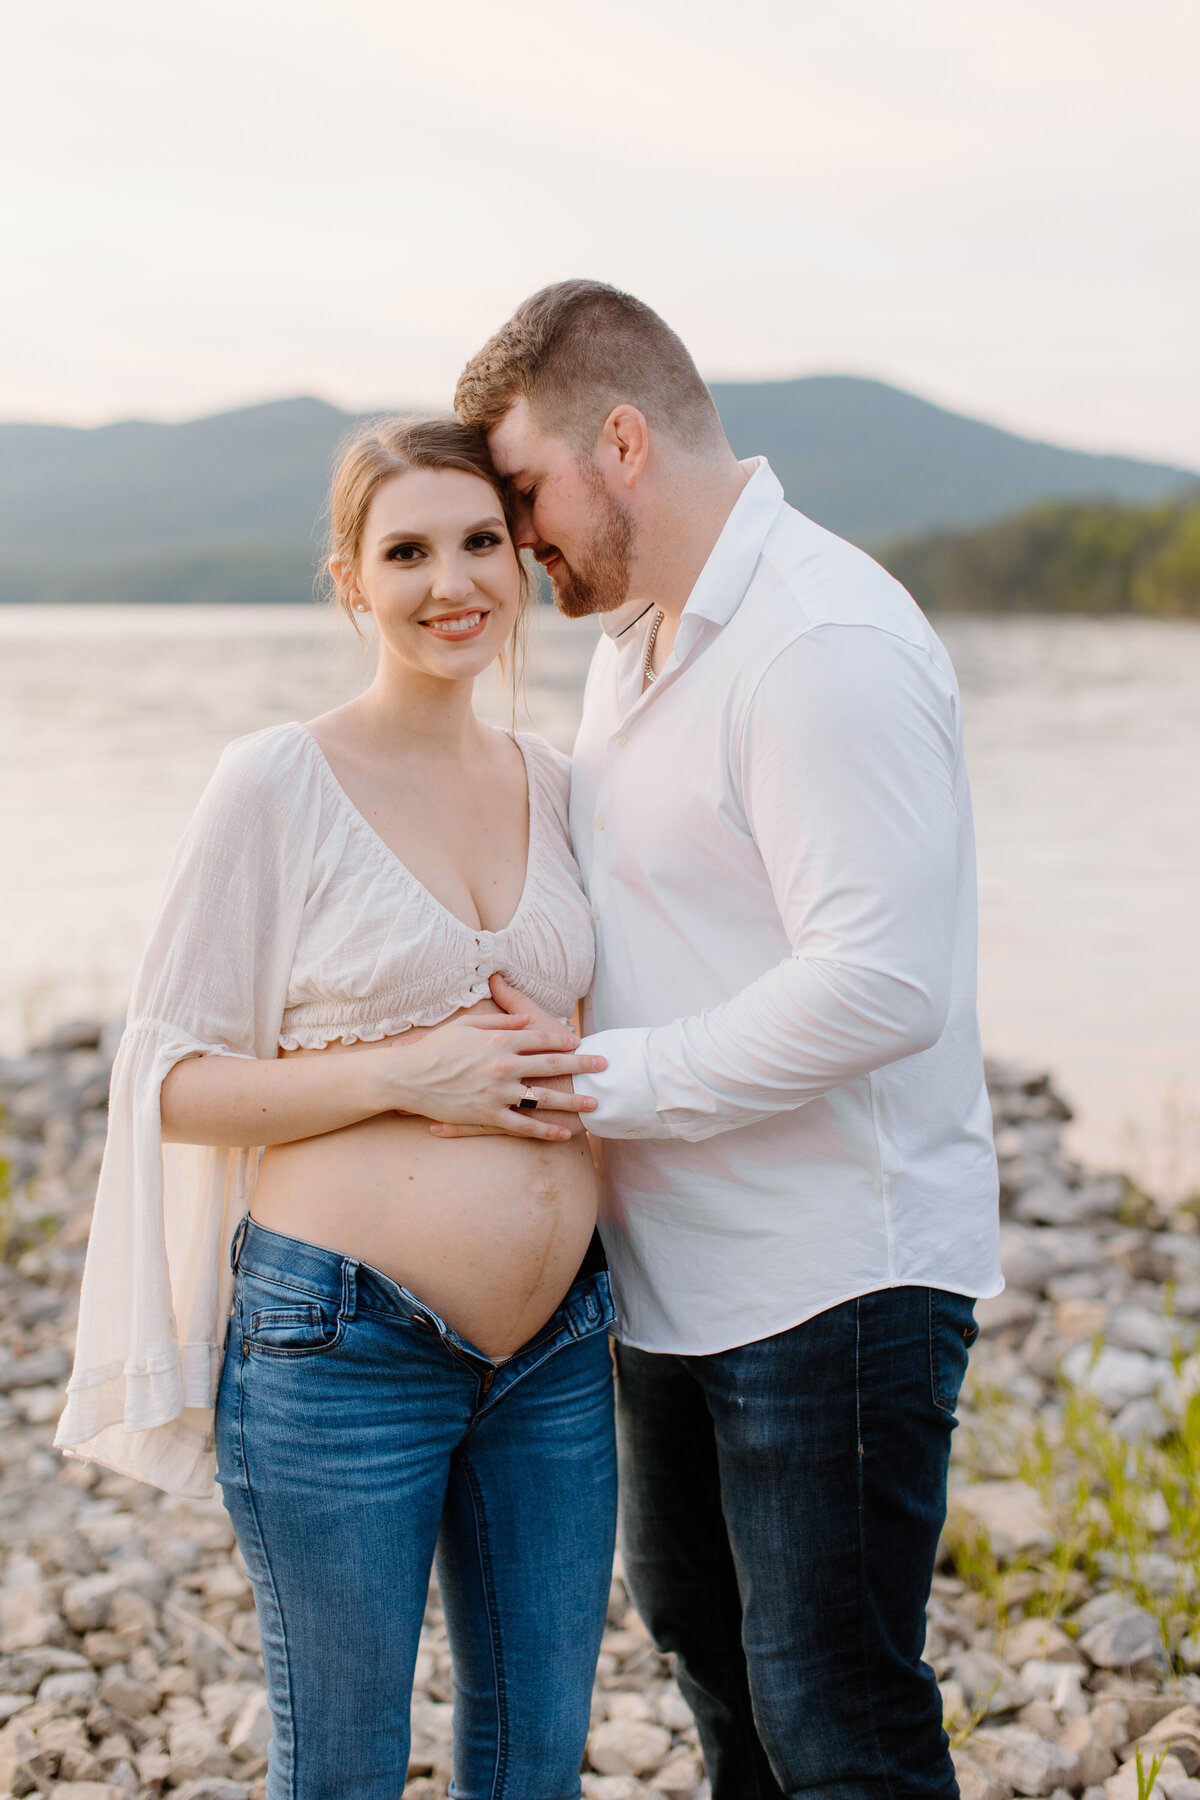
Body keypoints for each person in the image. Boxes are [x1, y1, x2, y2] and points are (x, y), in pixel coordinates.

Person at [452, 281, 1003, 1800]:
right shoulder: (632, 640)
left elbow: (881, 981)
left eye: (524, 492)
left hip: (833, 1273)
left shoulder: (818, 641)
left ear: (620, 439)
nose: (517, 536)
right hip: (675, 1276)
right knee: (709, 1661)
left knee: (837, 1716)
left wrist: (603, 1083)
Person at [56, 417, 619, 1800]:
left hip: (555, 1352)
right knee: (346, 1768)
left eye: (481, 541)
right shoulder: (275, 782)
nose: (452, 583)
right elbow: (167, 1080)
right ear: (350, 581)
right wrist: (400, 1075)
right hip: (343, 1351)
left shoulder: (560, 783)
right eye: (408, 551)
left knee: (535, 1760)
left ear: (521, 559)